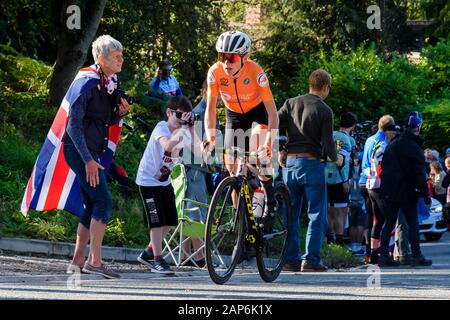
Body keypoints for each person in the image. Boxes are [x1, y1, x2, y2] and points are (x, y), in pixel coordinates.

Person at [64, 35, 129, 279]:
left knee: (92, 203)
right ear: (101, 59)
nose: (121, 59)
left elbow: (103, 122)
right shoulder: (87, 82)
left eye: (121, 55)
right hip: (79, 149)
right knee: (103, 201)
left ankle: (78, 260)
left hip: (92, 151)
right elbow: (73, 126)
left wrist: (119, 114)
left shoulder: (110, 81)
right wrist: (88, 160)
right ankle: (95, 261)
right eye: (116, 56)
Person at [203, 30, 279, 233]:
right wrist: (210, 139)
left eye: (232, 57)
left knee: (258, 152)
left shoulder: (256, 72)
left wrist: (268, 144)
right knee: (232, 168)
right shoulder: (215, 72)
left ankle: (270, 204)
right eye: (222, 56)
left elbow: (273, 114)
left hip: (258, 114)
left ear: (244, 57)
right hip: (234, 116)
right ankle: (241, 223)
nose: (226, 63)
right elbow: (210, 108)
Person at [278, 69, 338, 272]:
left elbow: (273, 124)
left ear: (310, 84)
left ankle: (290, 259)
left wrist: (280, 148)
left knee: (291, 214)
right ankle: (311, 260)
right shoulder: (325, 110)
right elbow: (328, 144)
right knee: (316, 213)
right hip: (311, 164)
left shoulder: (290, 103)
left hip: (290, 166)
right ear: (326, 87)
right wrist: (337, 159)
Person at [136, 96, 193, 274]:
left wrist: (191, 128)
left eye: (185, 116)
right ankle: (157, 260)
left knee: (170, 220)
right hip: (147, 181)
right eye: (178, 115)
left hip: (164, 182)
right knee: (157, 222)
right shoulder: (161, 127)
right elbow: (168, 146)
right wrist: (183, 128)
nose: (181, 120)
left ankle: (148, 252)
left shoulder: (183, 130)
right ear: (169, 112)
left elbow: (195, 151)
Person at [379, 111, 432, 267]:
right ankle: (416, 255)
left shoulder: (393, 143)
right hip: (407, 191)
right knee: (412, 223)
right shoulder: (414, 148)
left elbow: (385, 168)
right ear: (418, 127)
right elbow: (419, 175)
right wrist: (426, 196)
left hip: (389, 190)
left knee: (388, 222)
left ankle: (383, 256)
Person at [359, 115, 395, 264]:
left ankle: (371, 254)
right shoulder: (382, 143)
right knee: (388, 219)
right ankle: (385, 254)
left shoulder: (369, 139)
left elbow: (364, 164)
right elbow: (381, 166)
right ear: (388, 128)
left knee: (374, 219)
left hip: (367, 182)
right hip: (378, 184)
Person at [325, 112, 357, 247]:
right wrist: (345, 181)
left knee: (330, 210)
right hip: (339, 180)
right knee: (340, 212)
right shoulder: (349, 140)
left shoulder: (330, 135)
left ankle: (330, 240)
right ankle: (339, 242)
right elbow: (341, 162)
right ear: (353, 125)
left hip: (325, 177)